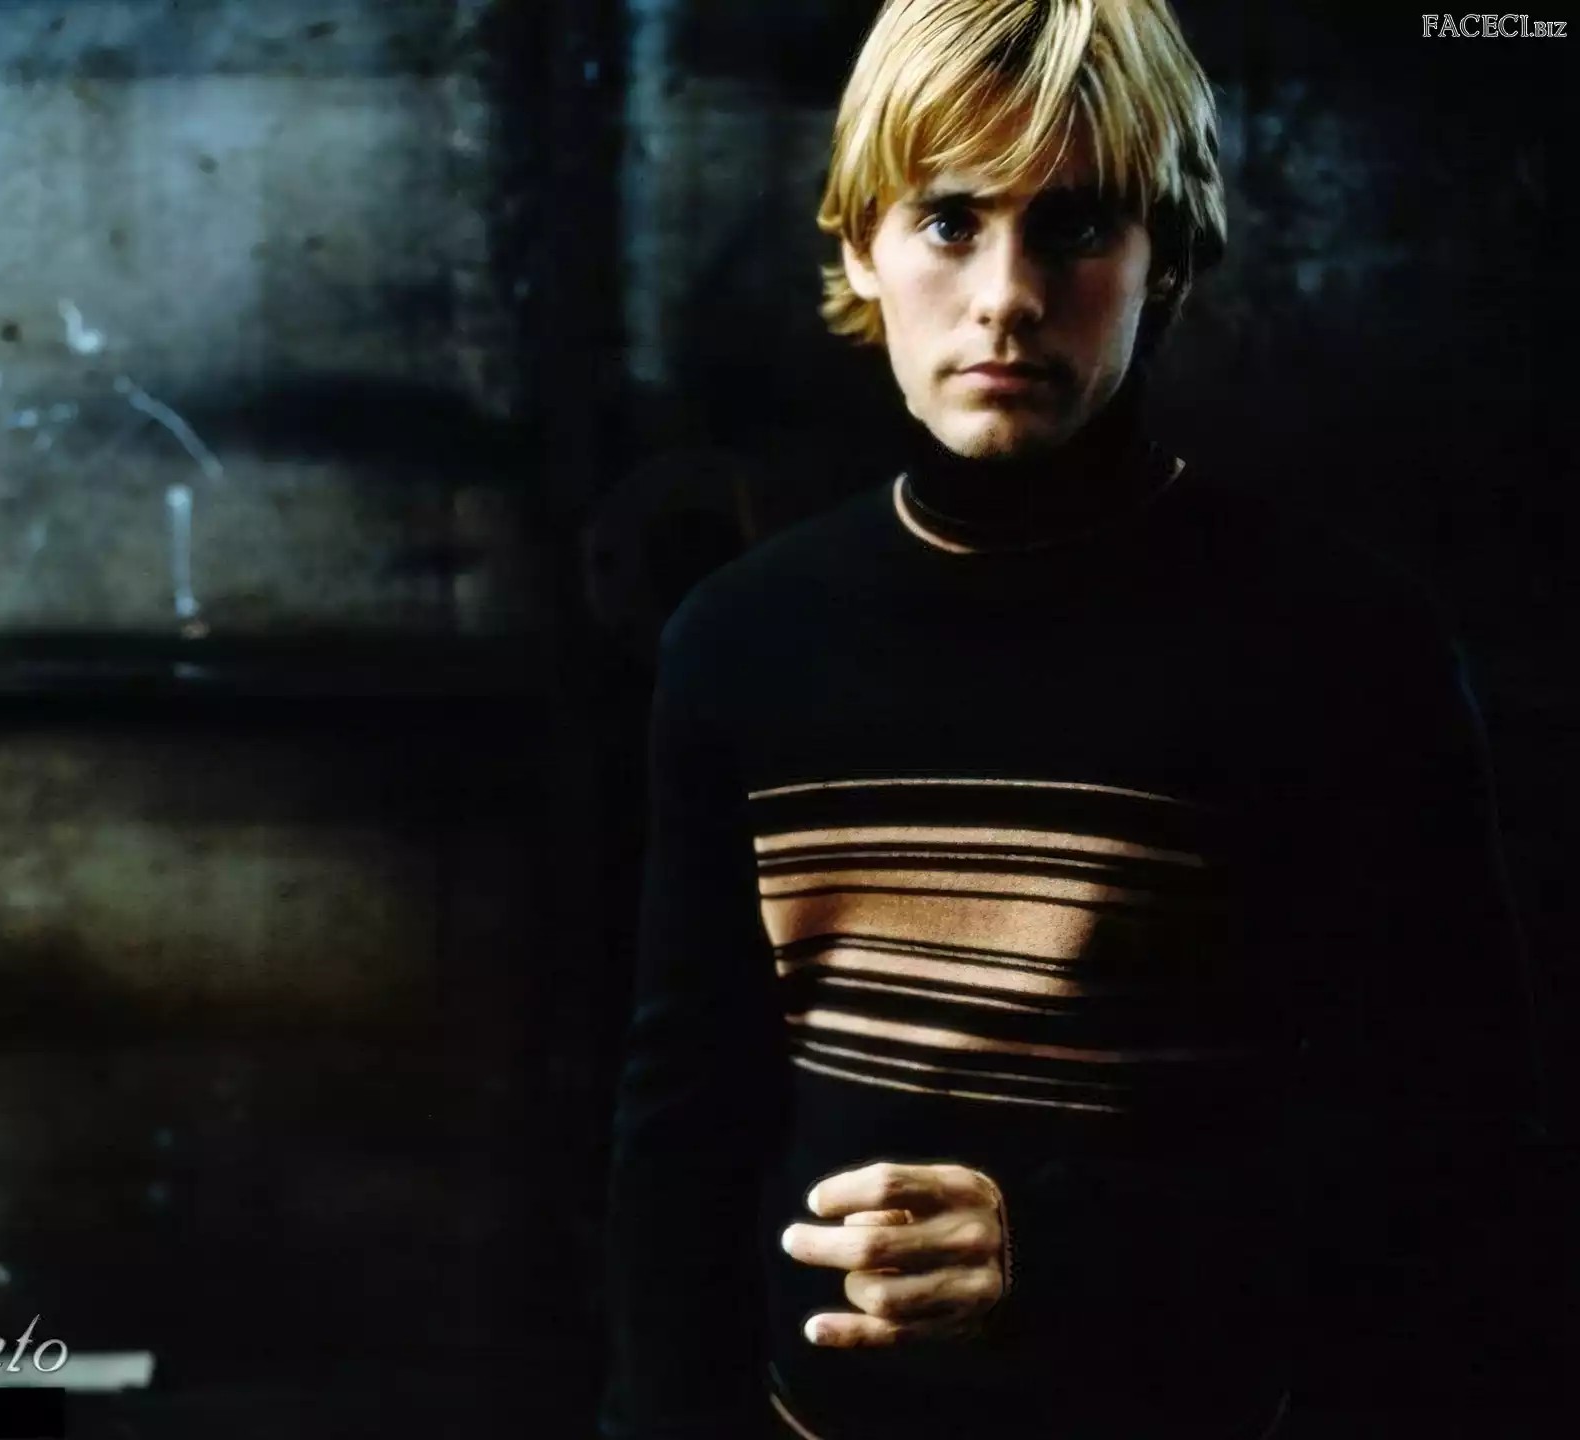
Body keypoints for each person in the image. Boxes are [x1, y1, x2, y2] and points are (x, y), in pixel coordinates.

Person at [596, 2, 1553, 1438]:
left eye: (1078, 227)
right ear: (859, 246)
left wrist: (1062, 1246)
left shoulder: (1342, 647)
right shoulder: (740, 640)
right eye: (949, 221)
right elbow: (686, 1120)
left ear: (1169, 264)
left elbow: (1463, 1151)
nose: (1006, 296)